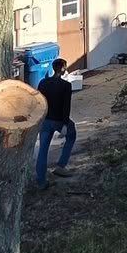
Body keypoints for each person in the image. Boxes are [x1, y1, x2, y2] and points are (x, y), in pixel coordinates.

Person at [34, 58, 76, 186]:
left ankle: (41, 181)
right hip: (58, 120)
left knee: (43, 149)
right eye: (65, 67)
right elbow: (66, 107)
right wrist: (64, 124)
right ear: (62, 68)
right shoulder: (66, 85)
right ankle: (61, 166)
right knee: (71, 134)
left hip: (45, 120)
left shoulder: (43, 82)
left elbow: (38, 101)